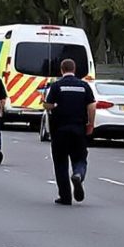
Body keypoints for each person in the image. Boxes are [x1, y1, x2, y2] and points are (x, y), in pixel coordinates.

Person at [42, 53, 96, 205]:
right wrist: (91, 124)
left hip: (59, 130)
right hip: (78, 129)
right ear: (74, 69)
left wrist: (45, 103)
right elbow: (92, 106)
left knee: (60, 163)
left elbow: (49, 105)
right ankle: (78, 174)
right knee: (80, 158)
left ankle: (65, 197)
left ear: (61, 70)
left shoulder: (56, 86)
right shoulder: (84, 86)